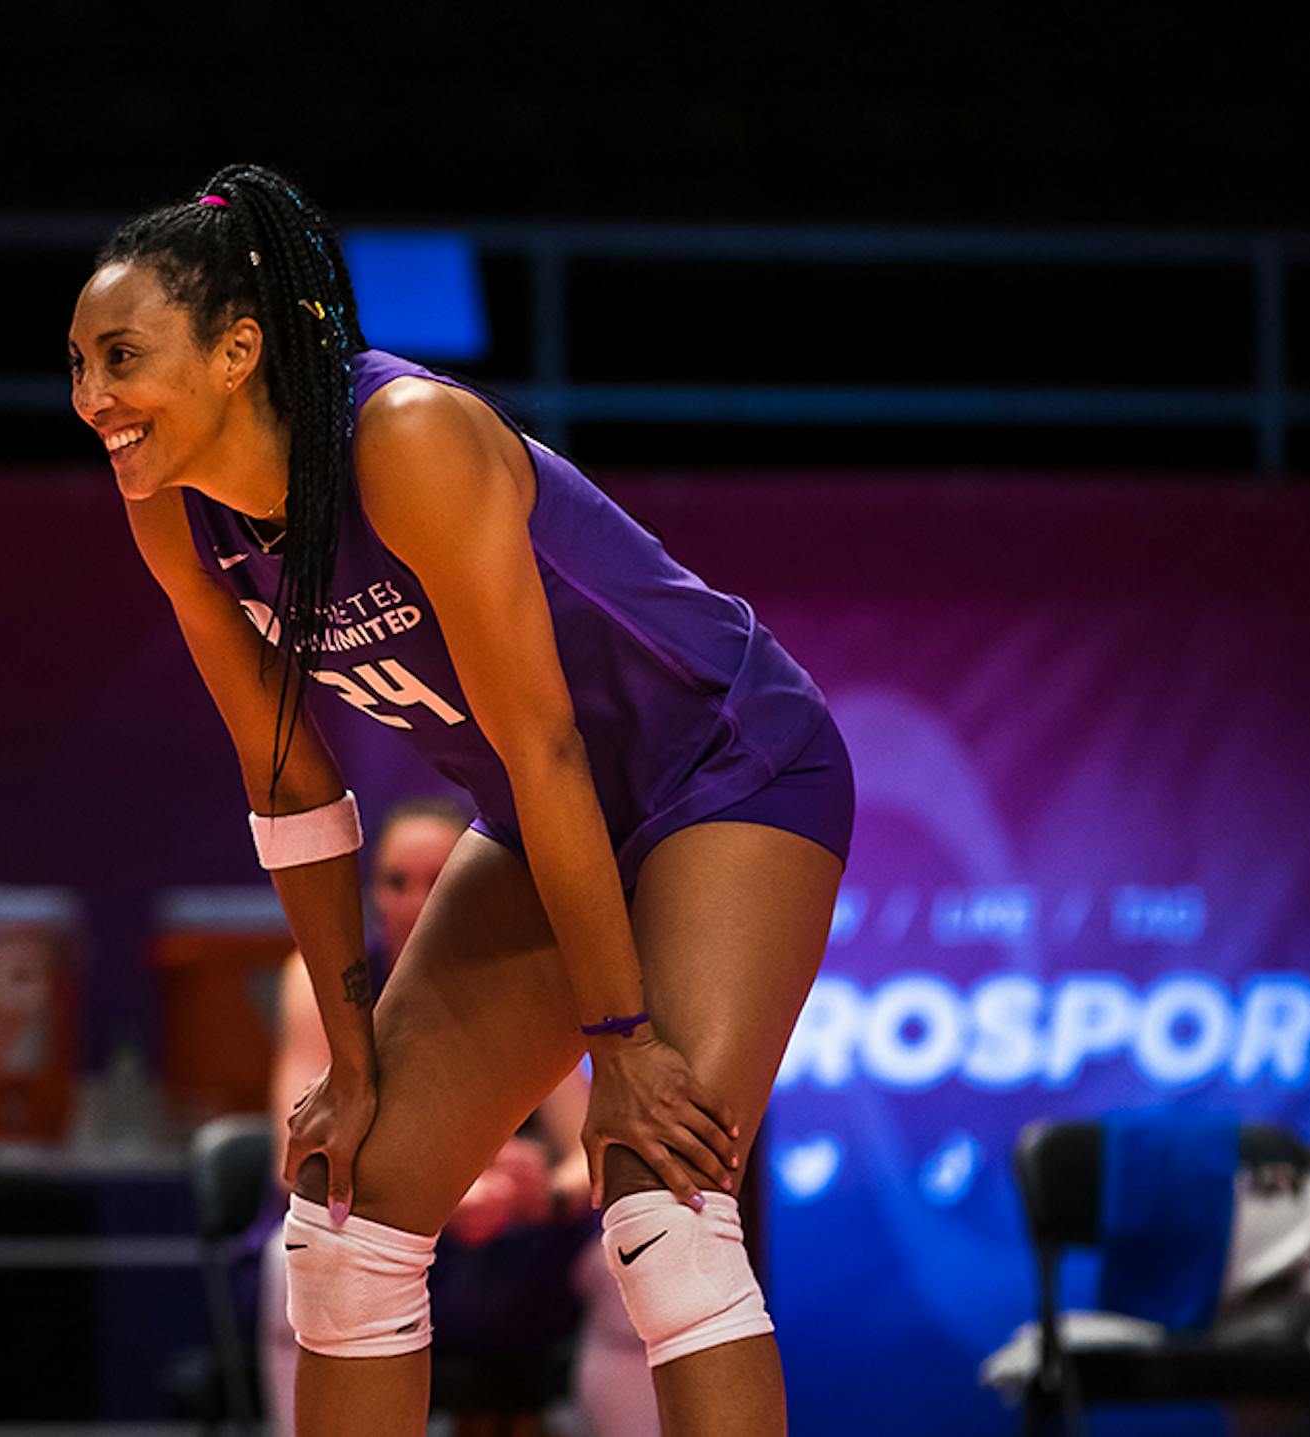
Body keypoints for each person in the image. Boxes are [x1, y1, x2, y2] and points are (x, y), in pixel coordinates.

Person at [70, 165, 855, 1437]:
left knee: (662, 1200)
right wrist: (352, 1061)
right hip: (546, 813)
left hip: (727, 768)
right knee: (347, 1209)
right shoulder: (174, 515)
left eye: (121, 357)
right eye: (76, 365)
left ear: (237, 352)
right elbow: (289, 777)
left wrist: (621, 1044)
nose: (91, 398)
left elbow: (547, 747)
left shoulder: (408, 439)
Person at [255, 797, 659, 1437]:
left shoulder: (523, 979)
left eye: (437, 880)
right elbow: (298, 1154)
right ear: (373, 893)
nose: (415, 903)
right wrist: (441, 1191)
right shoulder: (316, 977)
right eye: (396, 882)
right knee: (292, 1260)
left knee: (643, 1253)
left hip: (508, 1244)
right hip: (371, 1220)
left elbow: (594, 1156)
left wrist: (543, 1196)